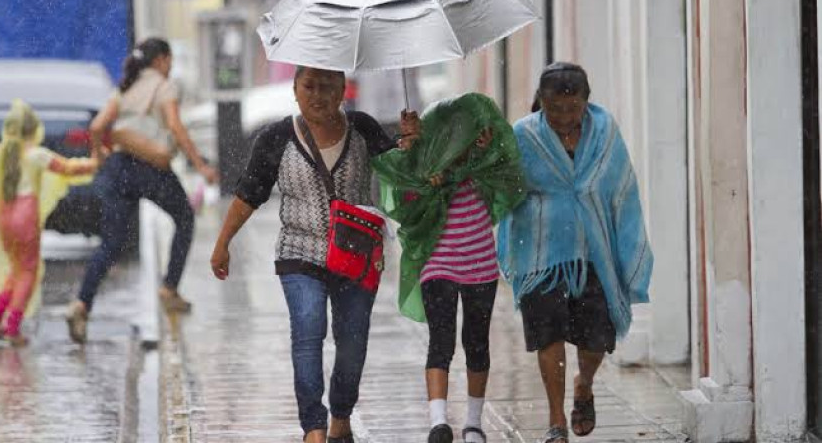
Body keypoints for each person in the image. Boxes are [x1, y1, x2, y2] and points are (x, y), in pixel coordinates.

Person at [210, 66, 419, 443]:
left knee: (353, 338)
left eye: (328, 86)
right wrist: (222, 242)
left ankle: (341, 414)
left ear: (343, 90)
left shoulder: (363, 129)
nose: (318, 95)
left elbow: (400, 173)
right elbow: (248, 194)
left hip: (355, 255)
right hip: (298, 253)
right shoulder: (275, 138)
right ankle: (314, 427)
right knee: (308, 330)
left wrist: (410, 143)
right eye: (309, 86)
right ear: (294, 89)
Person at [497, 62, 654, 443]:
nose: (564, 117)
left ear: (586, 101)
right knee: (548, 334)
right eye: (554, 109)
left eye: (573, 108)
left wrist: (627, 250)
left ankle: (584, 385)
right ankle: (555, 421)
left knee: (594, 338)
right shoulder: (523, 136)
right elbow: (503, 189)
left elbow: (623, 190)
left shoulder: (605, 133)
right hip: (540, 255)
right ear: (542, 103)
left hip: (593, 250)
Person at [371, 93, 527, 443]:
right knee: (441, 340)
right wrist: (411, 148)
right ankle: (438, 422)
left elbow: (509, 171)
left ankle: (473, 422)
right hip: (437, 264)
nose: (456, 143)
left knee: (477, 341)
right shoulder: (424, 166)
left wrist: (488, 147)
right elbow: (403, 196)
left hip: (481, 266)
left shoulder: (483, 164)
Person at [66, 38, 218, 344]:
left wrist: (99, 157)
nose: (171, 65)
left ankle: (82, 304)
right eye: (169, 60)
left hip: (119, 167)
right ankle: (170, 287)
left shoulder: (124, 89)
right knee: (185, 218)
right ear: (161, 60)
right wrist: (200, 164)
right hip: (152, 170)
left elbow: (97, 127)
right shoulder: (164, 86)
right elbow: (175, 127)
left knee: (110, 243)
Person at [0, 100, 98, 346]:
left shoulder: (4, 156)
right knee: (28, 272)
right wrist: (95, 164)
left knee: (16, 269)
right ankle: (12, 326)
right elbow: (67, 168)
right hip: (25, 217)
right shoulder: (37, 155)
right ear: (33, 130)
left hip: (5, 216)